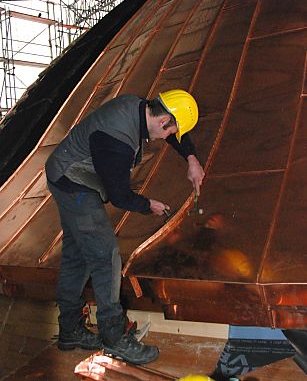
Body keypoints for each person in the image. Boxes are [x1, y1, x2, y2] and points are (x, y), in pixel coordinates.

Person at [45, 89, 205, 365]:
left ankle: (70, 330)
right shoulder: (116, 140)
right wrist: (148, 205)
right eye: (170, 132)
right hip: (74, 184)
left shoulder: (140, 106)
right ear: (164, 120)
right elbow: (119, 196)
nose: (169, 137)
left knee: (77, 256)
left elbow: (176, 133)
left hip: (65, 172)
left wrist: (191, 158)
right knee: (106, 257)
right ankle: (114, 337)